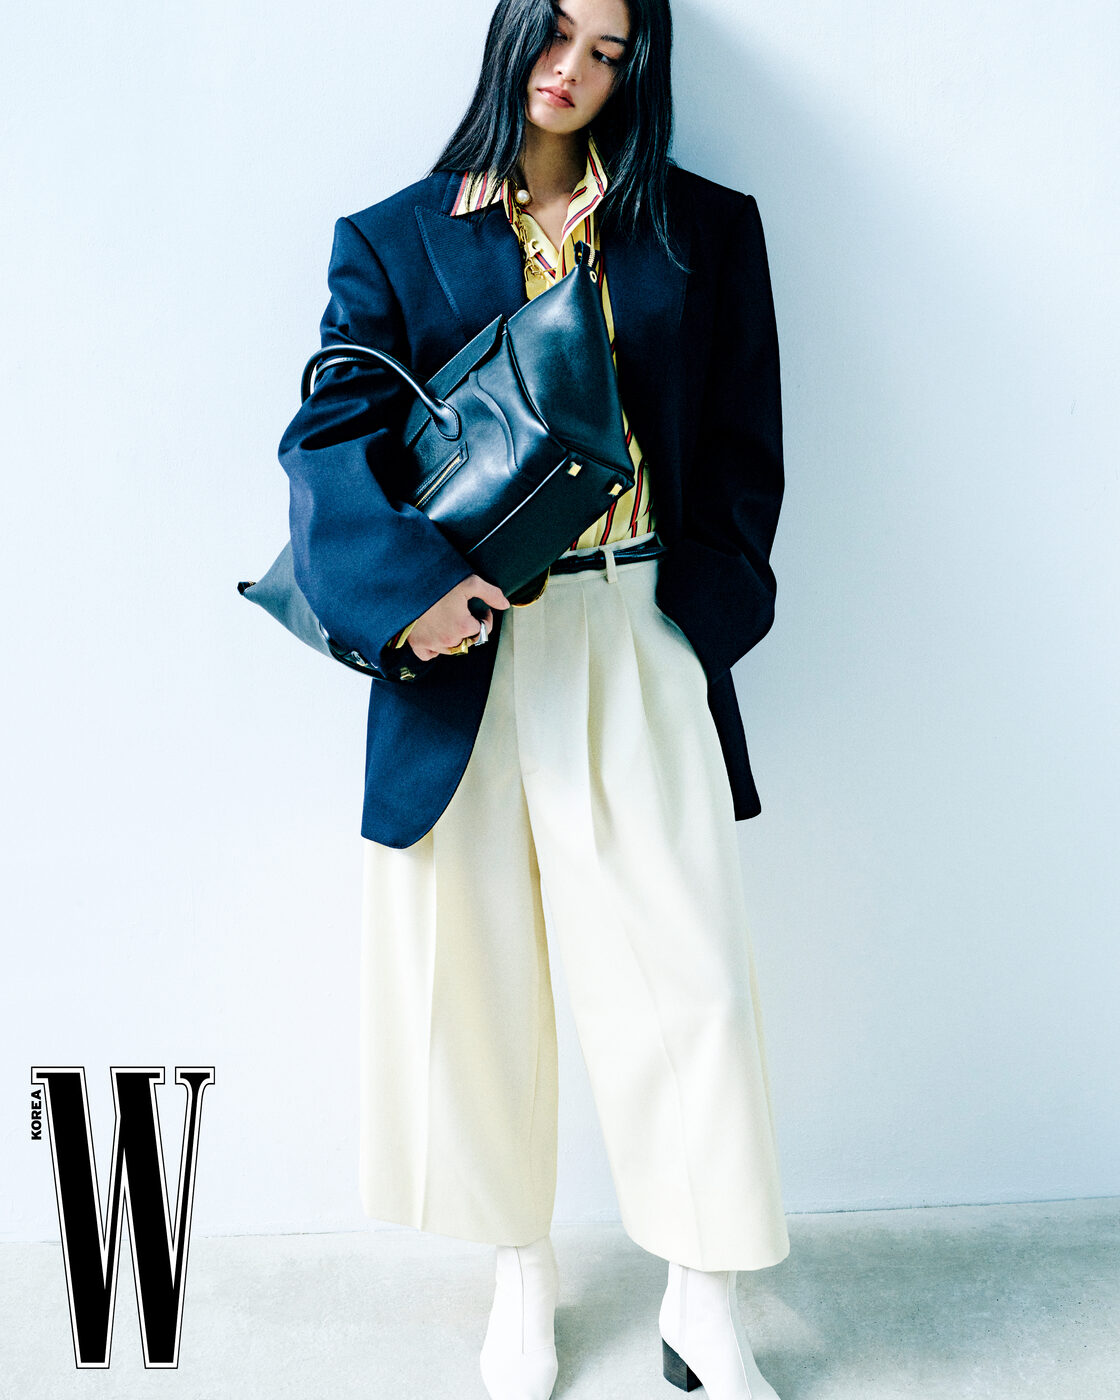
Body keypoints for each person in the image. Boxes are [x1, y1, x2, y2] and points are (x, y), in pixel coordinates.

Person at [278, 0, 790, 1395]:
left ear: (640, 71)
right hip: (466, 652)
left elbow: (743, 449)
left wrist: (699, 621)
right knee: (475, 977)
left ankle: (702, 1300)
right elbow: (326, 439)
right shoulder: (393, 237)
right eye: (556, 33)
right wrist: (410, 596)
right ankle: (521, 1273)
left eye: (611, 52)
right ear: (512, 34)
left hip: (635, 626)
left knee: (687, 983)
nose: (573, 71)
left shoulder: (701, 228)